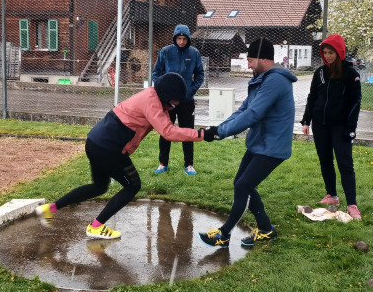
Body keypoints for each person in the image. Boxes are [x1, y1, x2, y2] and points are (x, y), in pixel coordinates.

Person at [36, 73, 204, 239]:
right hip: (109, 149)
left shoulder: (153, 97)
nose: (175, 106)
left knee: (99, 186)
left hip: (94, 141)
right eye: (174, 102)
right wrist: (203, 134)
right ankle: (96, 226)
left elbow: (166, 122)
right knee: (133, 185)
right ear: (166, 96)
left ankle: (50, 209)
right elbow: (168, 132)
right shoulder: (151, 102)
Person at [198, 37, 297, 247]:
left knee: (243, 186)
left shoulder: (275, 81)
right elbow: (243, 110)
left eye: (251, 60)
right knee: (242, 184)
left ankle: (224, 234)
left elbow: (253, 114)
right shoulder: (261, 79)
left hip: (272, 146)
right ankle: (266, 229)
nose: (248, 65)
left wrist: (220, 132)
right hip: (259, 142)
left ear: (263, 59)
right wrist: (217, 129)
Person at [300, 34, 362, 220]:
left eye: (331, 52)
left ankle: (352, 204)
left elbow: (355, 102)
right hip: (320, 124)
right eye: (325, 52)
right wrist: (306, 120)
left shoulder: (351, 74)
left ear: (339, 52)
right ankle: (332, 195)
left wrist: (351, 128)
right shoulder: (320, 73)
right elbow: (312, 97)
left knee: (345, 163)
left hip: (341, 126)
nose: (327, 56)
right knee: (325, 160)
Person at [151, 24, 205, 175]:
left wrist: (191, 91)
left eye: (184, 39)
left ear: (188, 39)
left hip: (187, 102)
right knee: (165, 131)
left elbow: (200, 75)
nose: (181, 41)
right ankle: (163, 163)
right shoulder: (165, 52)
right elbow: (156, 73)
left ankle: (189, 164)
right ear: (175, 38)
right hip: (168, 101)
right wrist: (164, 92)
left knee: (188, 132)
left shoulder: (194, 53)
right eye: (179, 38)